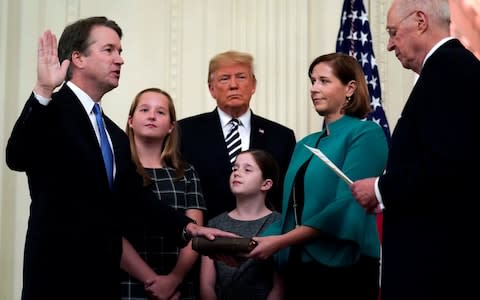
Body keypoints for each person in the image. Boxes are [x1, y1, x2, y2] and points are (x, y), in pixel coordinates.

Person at [5, 16, 234, 300]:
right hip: (57, 279)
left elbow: (135, 198)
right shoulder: (51, 110)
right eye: (109, 50)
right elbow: (17, 156)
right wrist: (42, 91)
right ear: (78, 58)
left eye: (120, 51)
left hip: (103, 281)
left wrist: (190, 230)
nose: (120, 60)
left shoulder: (113, 134)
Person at [349, 0, 480, 299]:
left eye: (394, 33)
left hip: (437, 264)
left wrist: (381, 189)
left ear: (420, 21)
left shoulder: (449, 71)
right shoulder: (448, 69)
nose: (391, 45)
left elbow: (446, 164)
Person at [248, 53, 389, 300]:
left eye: (324, 81)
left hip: (344, 268)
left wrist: (280, 241)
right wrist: (245, 244)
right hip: (298, 266)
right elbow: (291, 213)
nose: (314, 89)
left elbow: (345, 206)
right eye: (312, 81)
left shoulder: (366, 133)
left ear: (350, 88)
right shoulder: (304, 144)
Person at [178, 50, 296, 220]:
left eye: (241, 77)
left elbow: (288, 195)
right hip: (204, 235)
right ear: (211, 89)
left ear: (253, 85)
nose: (233, 85)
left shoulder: (281, 136)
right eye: (224, 78)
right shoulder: (185, 131)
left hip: (266, 236)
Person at [120, 88, 206, 299]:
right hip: (127, 283)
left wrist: (173, 280)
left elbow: (195, 231)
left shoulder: (186, 172)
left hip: (178, 286)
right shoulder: (117, 169)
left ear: (171, 126)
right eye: (144, 109)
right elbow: (111, 234)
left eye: (160, 112)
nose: (152, 116)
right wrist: (152, 281)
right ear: (131, 120)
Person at [200, 149, 284, 300]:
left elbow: (279, 288)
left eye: (247, 169)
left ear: (266, 184)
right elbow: (206, 285)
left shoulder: (279, 224)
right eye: (235, 168)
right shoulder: (215, 224)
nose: (237, 173)